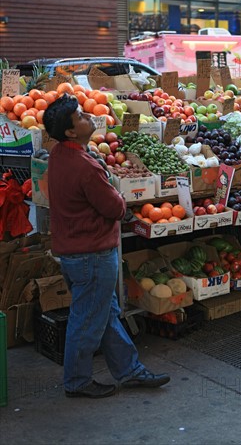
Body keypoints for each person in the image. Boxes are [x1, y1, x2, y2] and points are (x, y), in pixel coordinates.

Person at [43, 94, 170, 399]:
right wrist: (114, 186)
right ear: (72, 131)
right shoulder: (85, 167)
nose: (88, 116)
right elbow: (114, 208)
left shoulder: (59, 155)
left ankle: (130, 371)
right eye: (80, 116)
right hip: (93, 256)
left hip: (75, 254)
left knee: (105, 315)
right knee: (86, 322)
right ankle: (76, 381)